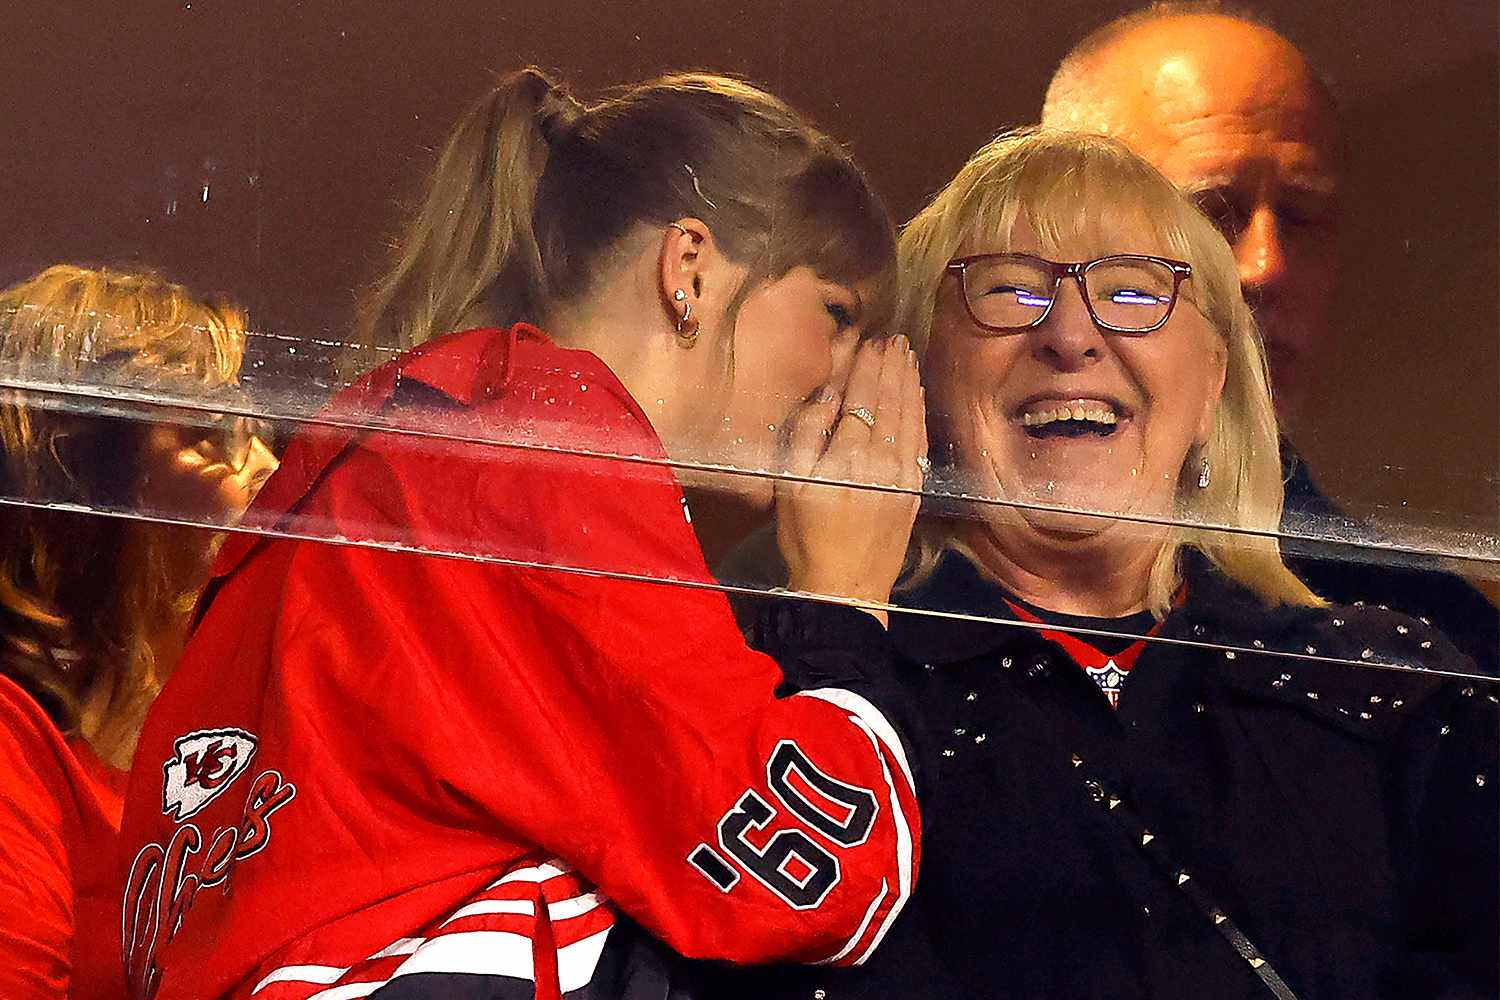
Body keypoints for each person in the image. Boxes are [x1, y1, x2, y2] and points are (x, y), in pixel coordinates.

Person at [116, 67, 929, 1000]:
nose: (849, 376)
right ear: (691, 269)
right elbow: (811, 877)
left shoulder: (390, 443)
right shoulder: (551, 444)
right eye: (839, 315)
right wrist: (848, 601)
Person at [708, 129, 1498, 1000]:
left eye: (1133, 291)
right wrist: (838, 620)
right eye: (1011, 290)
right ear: (918, 382)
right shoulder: (789, 686)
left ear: (1213, 386)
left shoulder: (1390, 687)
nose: (1072, 336)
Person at [1039, 2, 1498, 676]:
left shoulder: (1434, 637)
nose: (1264, 266)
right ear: (1047, 239)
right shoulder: (893, 567)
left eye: (1303, 217)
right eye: (1210, 212)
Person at [0, 265, 277, 999]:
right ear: (86, 483)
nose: (272, 472)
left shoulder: (233, 718)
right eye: (211, 434)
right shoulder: (14, 741)